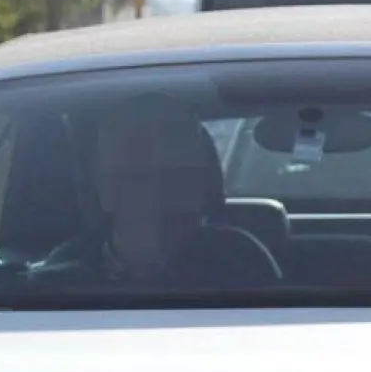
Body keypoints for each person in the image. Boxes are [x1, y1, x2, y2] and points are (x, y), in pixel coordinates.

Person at [33, 93, 281, 291]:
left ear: (202, 184)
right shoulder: (64, 274)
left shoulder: (240, 262)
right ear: (104, 187)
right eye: (137, 172)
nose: (156, 191)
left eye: (175, 172)